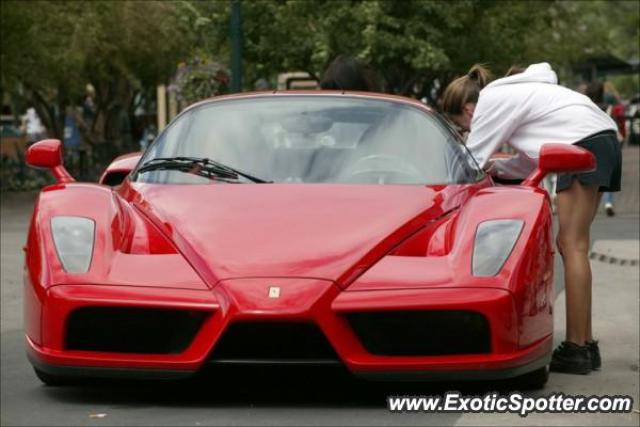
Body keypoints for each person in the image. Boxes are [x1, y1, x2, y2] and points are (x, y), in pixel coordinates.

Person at [442, 62, 621, 375]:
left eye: (463, 126)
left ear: (469, 110)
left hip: (582, 141)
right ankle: (587, 345)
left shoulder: (491, 102)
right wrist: (496, 169)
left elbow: (471, 159)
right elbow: (527, 164)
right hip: (602, 138)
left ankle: (577, 348)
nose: (467, 129)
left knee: (572, 245)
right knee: (574, 245)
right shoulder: (520, 96)